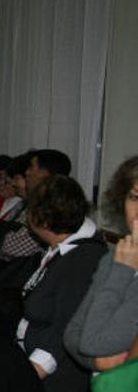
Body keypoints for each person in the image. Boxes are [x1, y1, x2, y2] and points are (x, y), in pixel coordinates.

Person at [17, 175, 107, 392]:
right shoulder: (64, 248)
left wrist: (28, 378)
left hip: (61, 390)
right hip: (48, 383)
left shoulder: (84, 258)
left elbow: (64, 327)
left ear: (41, 219)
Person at [66, 155, 138, 371]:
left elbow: (92, 341)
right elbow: (72, 335)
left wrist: (122, 271)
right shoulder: (116, 254)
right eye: (135, 197)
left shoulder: (121, 262)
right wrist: (99, 362)